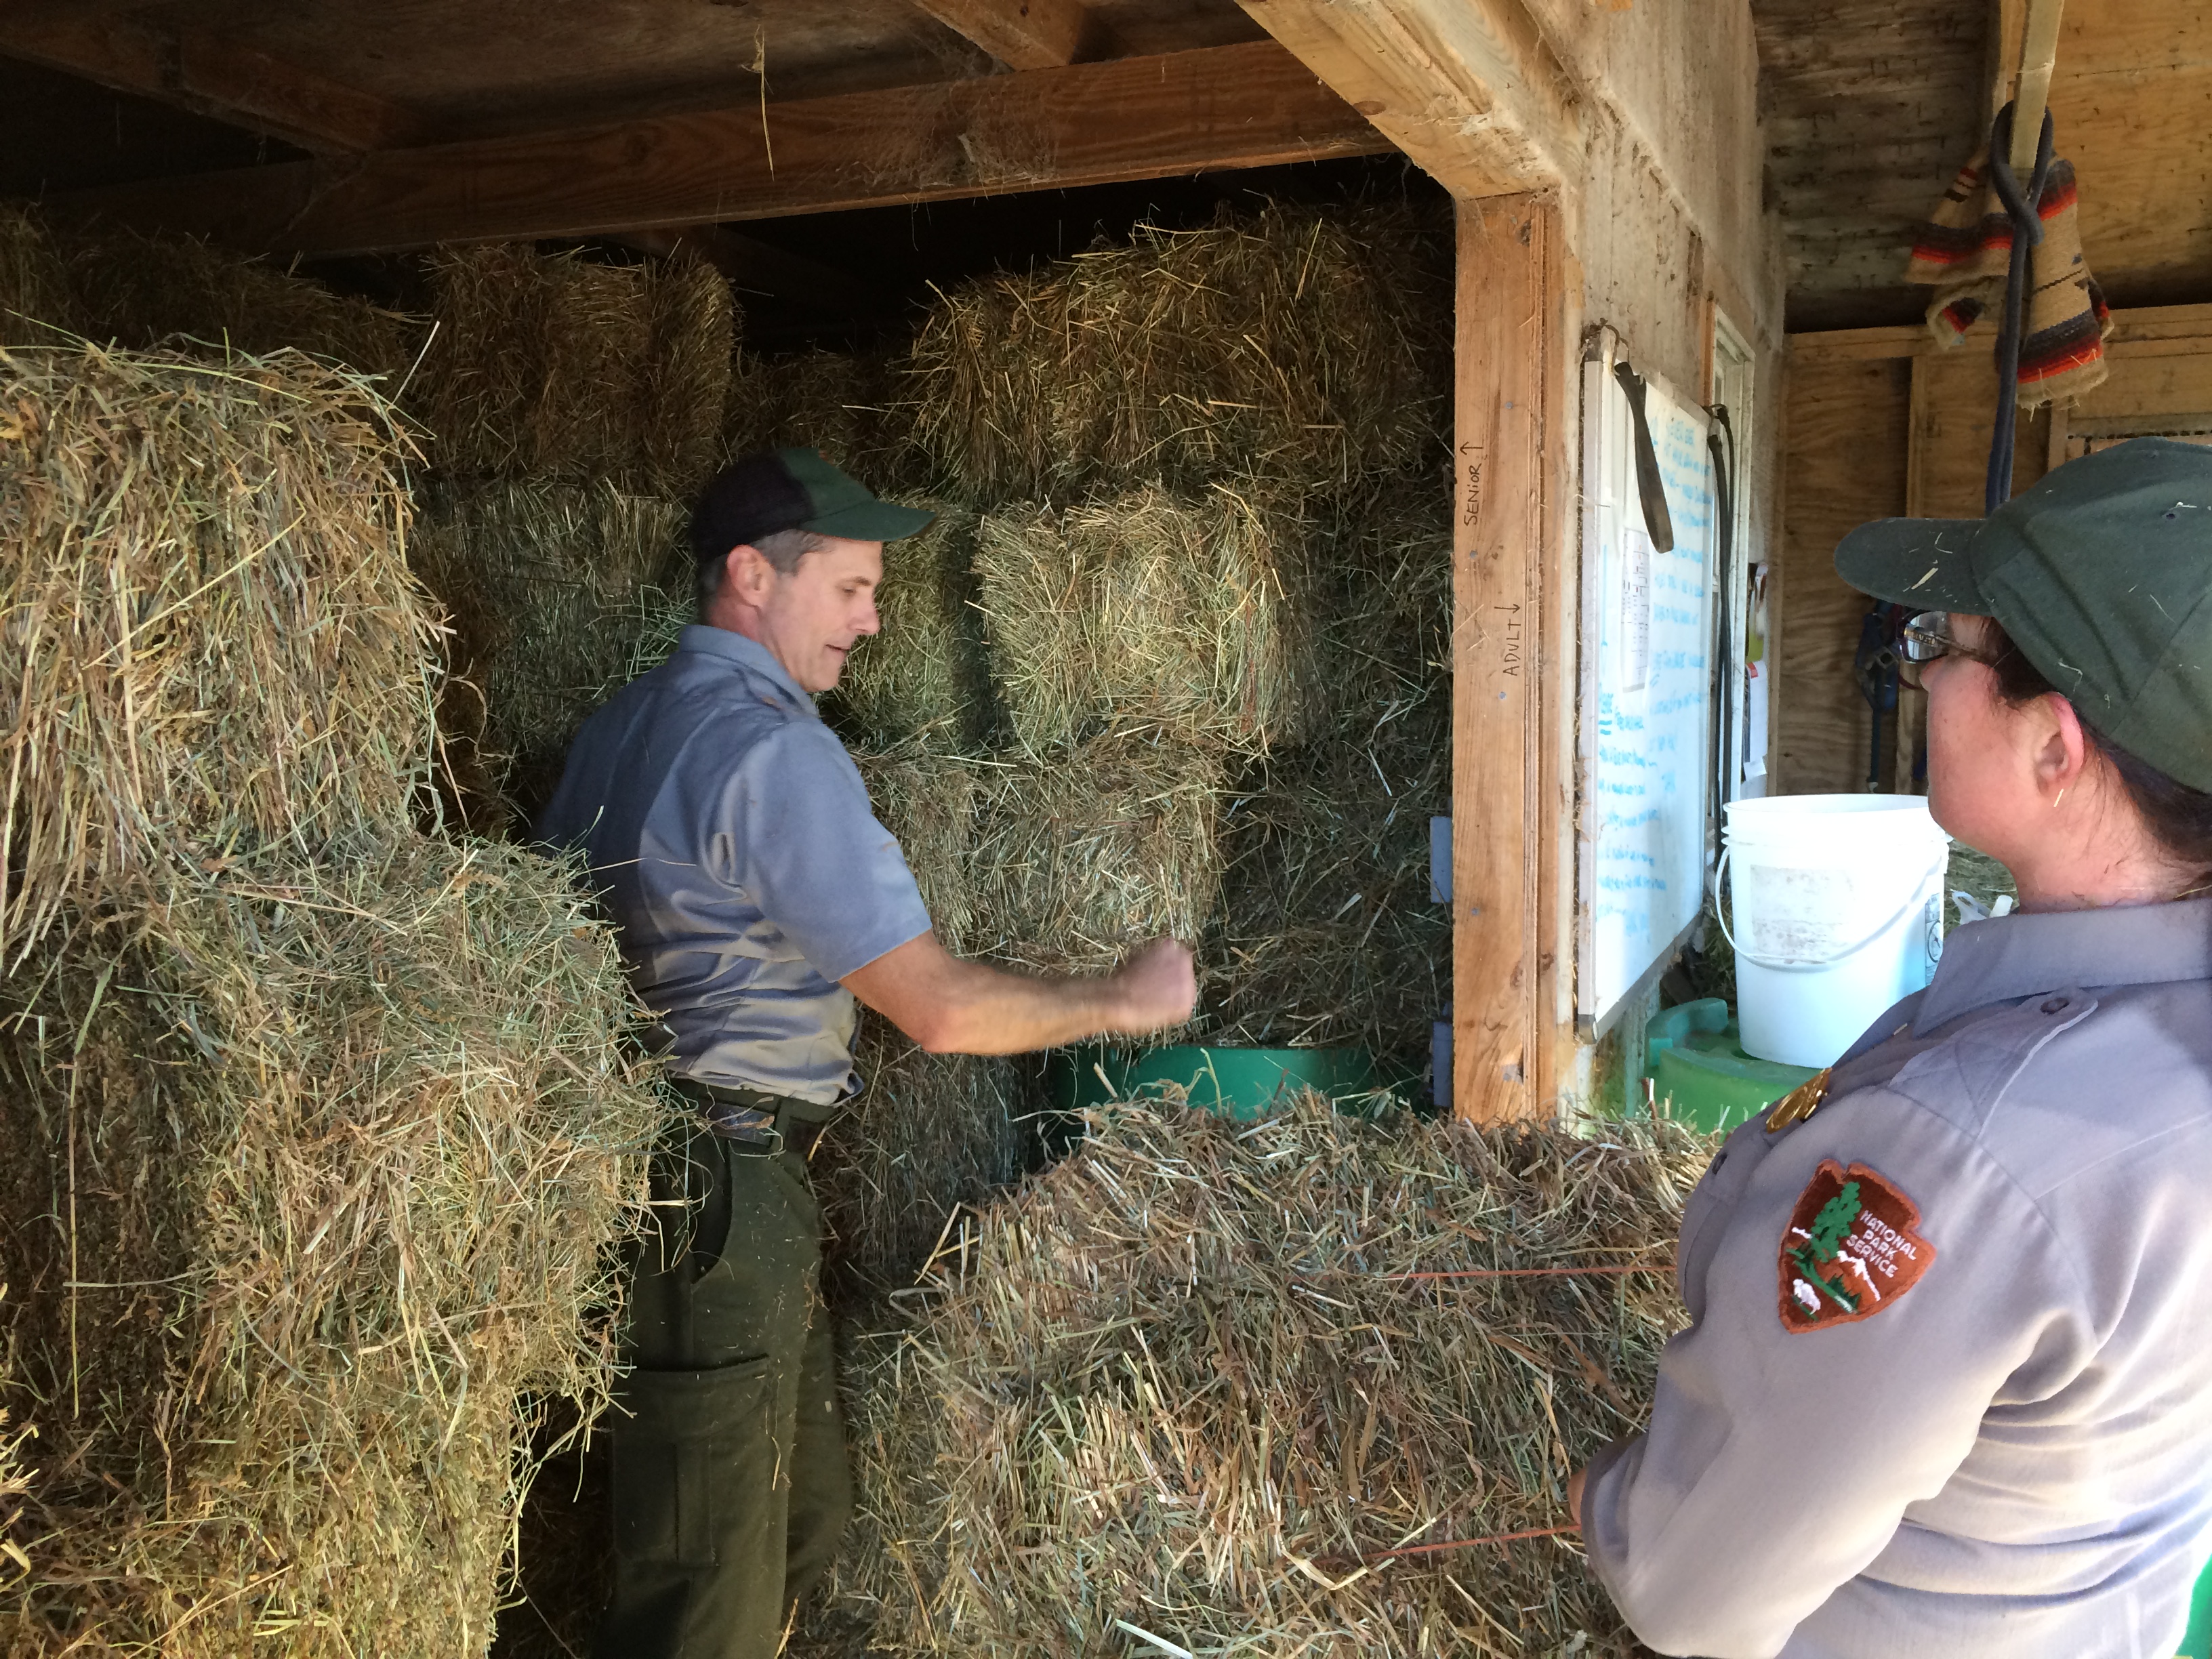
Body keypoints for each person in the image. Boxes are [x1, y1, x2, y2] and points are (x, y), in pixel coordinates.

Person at [536, 447, 1196, 1659]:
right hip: (720, 1189)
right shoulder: (772, 754)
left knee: (795, 1527)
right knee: (710, 1589)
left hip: (633, 1170)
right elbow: (936, 1009)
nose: (874, 620)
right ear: (750, 574)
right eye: (850, 587)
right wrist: (1120, 999)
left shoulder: (620, 729)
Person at [1570, 436, 2212, 1656]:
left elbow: (1685, 1588)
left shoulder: (1965, 1149)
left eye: (1942, 648)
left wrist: (1597, 1502)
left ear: (2055, 746)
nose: (1921, 680)